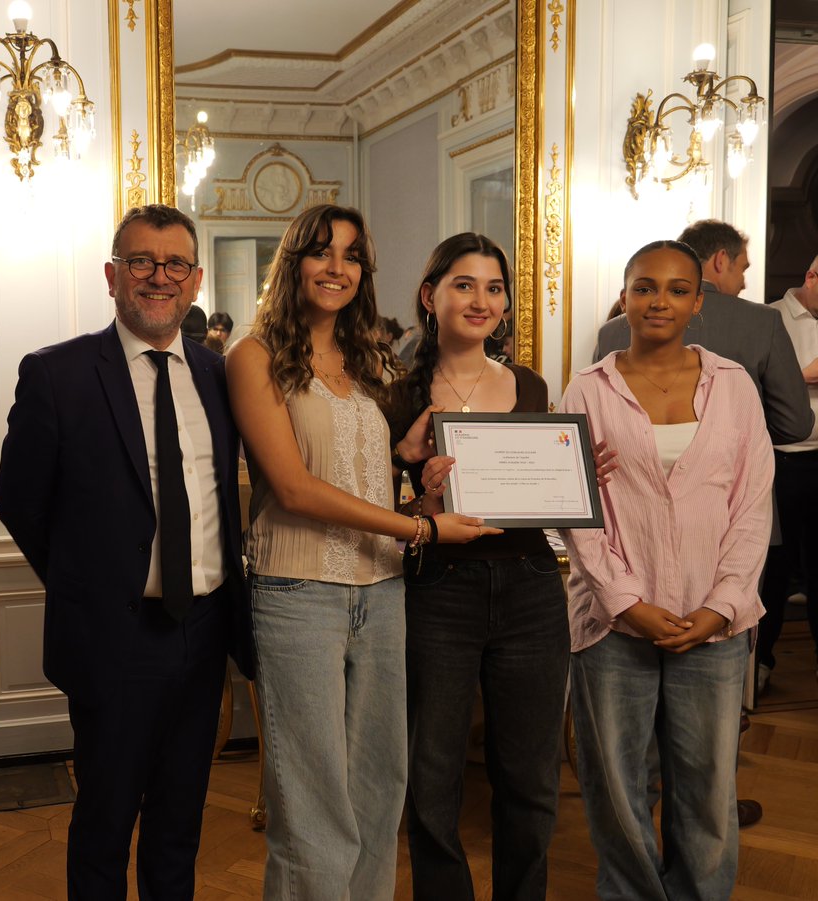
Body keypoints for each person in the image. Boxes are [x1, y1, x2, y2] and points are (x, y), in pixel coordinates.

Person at [226, 204, 498, 901]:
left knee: (380, 788)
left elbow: (368, 492)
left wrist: (420, 500)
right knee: (314, 800)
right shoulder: (254, 356)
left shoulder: (370, 360)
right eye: (321, 251)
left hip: (382, 592)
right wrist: (421, 532)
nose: (337, 266)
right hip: (297, 592)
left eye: (351, 255)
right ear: (294, 262)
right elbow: (292, 487)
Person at [0, 204, 255, 900]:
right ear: (113, 275)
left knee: (180, 824)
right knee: (105, 823)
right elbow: (20, 501)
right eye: (141, 261)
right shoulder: (59, 374)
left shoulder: (217, 376)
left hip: (203, 633)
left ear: (195, 280)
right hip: (113, 636)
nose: (157, 277)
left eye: (174, 264)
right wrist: (93, 583)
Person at [561, 240, 773, 901]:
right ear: (624, 297)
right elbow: (580, 509)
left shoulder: (734, 385)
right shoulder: (586, 388)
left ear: (697, 301)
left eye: (677, 289)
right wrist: (625, 600)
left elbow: (752, 500)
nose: (659, 301)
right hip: (612, 621)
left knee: (707, 783)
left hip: (714, 621)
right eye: (645, 287)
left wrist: (725, 603)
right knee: (616, 781)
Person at [390, 233, 568, 901]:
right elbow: (380, 503)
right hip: (439, 589)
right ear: (431, 295)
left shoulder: (529, 384)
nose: (482, 299)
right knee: (432, 775)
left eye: (495, 287)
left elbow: (540, 493)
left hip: (529, 587)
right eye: (465, 284)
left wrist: (577, 478)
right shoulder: (396, 390)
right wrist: (418, 488)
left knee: (529, 776)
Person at [594, 219, 811, 448]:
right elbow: (795, 425)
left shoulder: (608, 332)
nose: (744, 282)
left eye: (678, 291)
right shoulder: (764, 322)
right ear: (721, 259)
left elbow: (596, 431)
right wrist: (738, 439)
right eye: (742, 268)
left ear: (697, 303)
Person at [760, 259, 818, 688]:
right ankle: (760, 664)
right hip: (780, 461)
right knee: (773, 568)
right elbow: (755, 391)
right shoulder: (769, 319)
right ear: (811, 277)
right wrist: (808, 376)